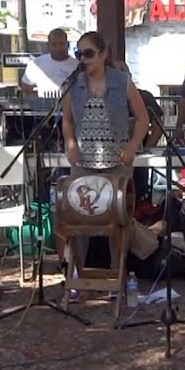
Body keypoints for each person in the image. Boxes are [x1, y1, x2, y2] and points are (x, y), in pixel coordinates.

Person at [59, 32, 150, 302]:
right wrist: (70, 143)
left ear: (103, 54)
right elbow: (67, 120)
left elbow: (143, 119)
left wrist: (132, 147)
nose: (83, 59)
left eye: (88, 53)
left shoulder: (122, 82)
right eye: (79, 54)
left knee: (117, 221)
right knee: (78, 217)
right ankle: (78, 276)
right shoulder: (73, 83)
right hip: (84, 163)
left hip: (115, 162)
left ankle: (116, 276)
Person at [21, 27, 80, 103]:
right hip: (43, 108)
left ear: (67, 44)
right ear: (48, 45)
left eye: (62, 44)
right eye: (54, 44)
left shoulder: (78, 66)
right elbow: (26, 89)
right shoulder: (36, 64)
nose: (58, 48)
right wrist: (37, 104)